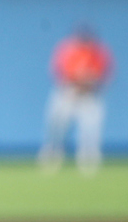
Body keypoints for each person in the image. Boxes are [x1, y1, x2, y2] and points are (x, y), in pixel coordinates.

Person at [38, 26, 114, 175]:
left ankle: (89, 161)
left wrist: (89, 82)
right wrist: (78, 81)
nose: (84, 42)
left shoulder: (98, 52)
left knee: (90, 130)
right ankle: (51, 157)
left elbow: (105, 75)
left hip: (90, 95)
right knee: (56, 127)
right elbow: (59, 72)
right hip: (69, 92)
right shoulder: (67, 49)